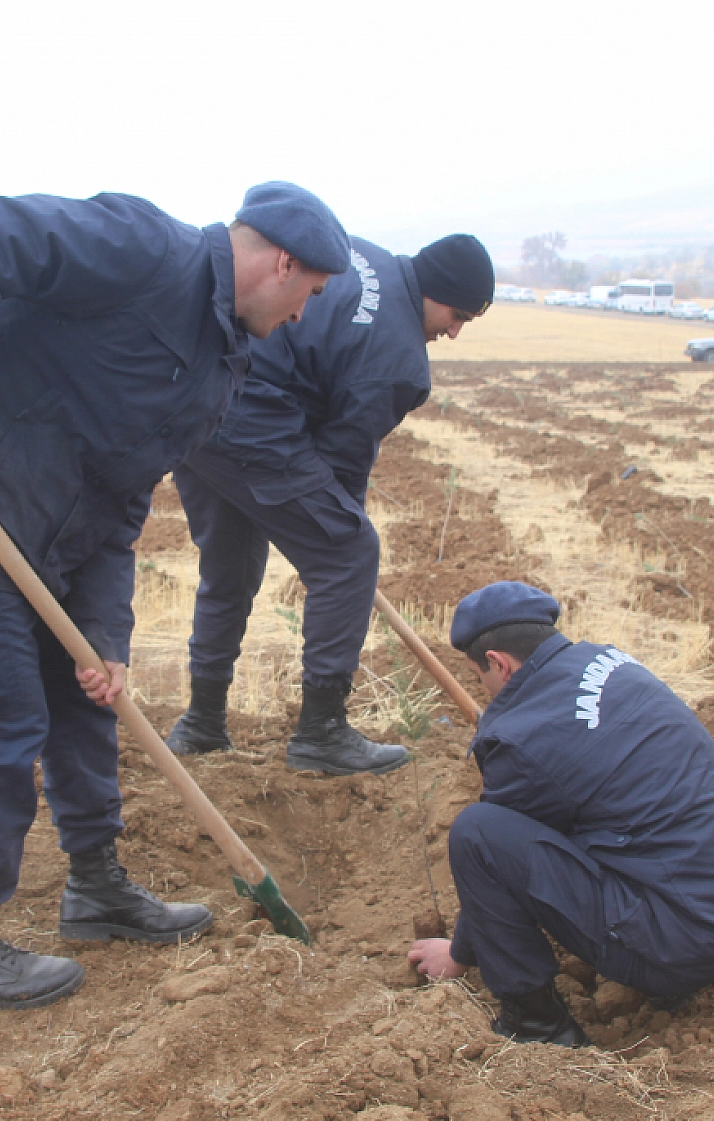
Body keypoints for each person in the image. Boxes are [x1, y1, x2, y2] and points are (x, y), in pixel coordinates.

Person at [0, 183, 349, 1011]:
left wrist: (106, 634)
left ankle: (98, 890)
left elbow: (122, 501)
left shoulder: (220, 367)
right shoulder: (146, 249)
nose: (302, 317)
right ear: (282, 262)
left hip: (60, 538)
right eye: (310, 295)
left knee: (86, 703)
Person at [165, 233, 495, 775]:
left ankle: (202, 723)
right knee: (349, 553)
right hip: (253, 417)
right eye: (456, 315)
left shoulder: (373, 256)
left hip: (199, 399)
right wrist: (344, 550)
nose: (454, 332)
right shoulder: (399, 357)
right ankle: (321, 732)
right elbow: (342, 464)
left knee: (229, 569)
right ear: (434, 290)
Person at [408, 582, 714, 1046]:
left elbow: (498, 846)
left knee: (476, 833)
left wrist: (460, 954)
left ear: (499, 663)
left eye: (477, 673)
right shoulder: (611, 661)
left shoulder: (521, 743)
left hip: (685, 947)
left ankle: (537, 1025)